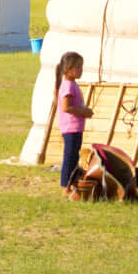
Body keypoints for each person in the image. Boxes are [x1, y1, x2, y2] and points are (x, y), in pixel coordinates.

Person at [52, 52, 91, 195]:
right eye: (78, 67)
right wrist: (84, 112)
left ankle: (72, 184)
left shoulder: (71, 84)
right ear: (68, 69)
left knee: (74, 156)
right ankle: (66, 187)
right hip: (71, 127)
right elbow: (66, 107)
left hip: (75, 127)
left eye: (81, 67)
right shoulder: (68, 86)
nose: (81, 70)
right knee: (70, 157)